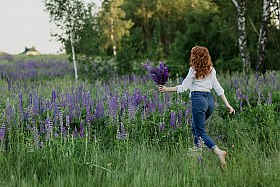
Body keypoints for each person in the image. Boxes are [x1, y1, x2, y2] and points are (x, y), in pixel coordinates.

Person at [158, 46, 235, 169]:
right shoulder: (211, 70)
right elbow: (218, 88)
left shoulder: (193, 70)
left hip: (198, 100)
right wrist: (227, 104)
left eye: (192, 54)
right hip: (210, 101)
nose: (191, 56)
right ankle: (197, 158)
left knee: (200, 132)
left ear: (195, 57)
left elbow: (183, 87)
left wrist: (166, 89)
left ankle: (219, 152)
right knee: (195, 128)